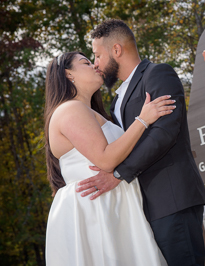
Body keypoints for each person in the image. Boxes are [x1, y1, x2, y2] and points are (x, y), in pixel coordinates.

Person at [76, 19, 205, 265]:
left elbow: (165, 133)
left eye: (97, 56)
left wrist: (117, 175)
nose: (95, 64)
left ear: (116, 50)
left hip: (171, 199)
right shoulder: (116, 102)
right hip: (143, 207)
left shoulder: (158, 74)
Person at [44, 51, 175, 265]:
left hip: (116, 206)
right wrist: (143, 120)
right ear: (68, 75)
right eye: (86, 62)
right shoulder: (70, 110)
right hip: (96, 210)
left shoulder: (91, 112)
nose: (95, 66)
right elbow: (105, 159)